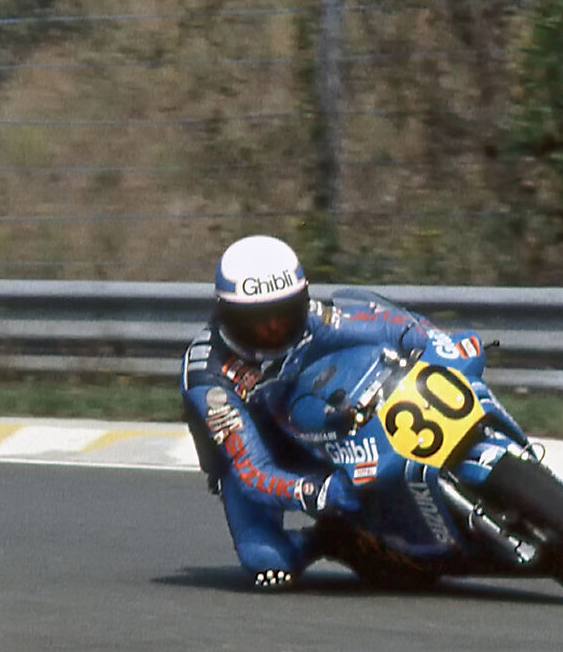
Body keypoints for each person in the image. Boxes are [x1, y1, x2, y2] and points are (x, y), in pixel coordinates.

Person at [179, 234, 478, 592]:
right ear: (228, 315)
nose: (276, 327)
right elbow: (250, 470)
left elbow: (382, 325)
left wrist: (433, 340)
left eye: (285, 312)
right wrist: (317, 493)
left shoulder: (310, 318)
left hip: (316, 415)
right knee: (269, 565)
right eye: (260, 319)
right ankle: (327, 538)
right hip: (264, 452)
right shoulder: (209, 378)